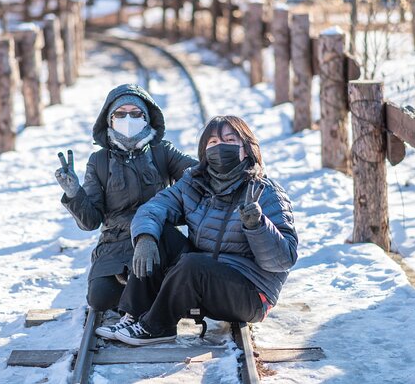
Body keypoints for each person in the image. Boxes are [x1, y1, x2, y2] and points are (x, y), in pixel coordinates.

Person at [96, 115, 298, 345]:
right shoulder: (195, 183)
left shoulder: (266, 192)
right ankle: (134, 315)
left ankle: (157, 327)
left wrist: (257, 225)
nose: (220, 146)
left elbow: (283, 261)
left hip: (250, 293)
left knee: (193, 264)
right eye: (212, 143)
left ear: (247, 149)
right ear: (204, 152)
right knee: (158, 234)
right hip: (202, 282)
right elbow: (154, 207)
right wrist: (145, 237)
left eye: (230, 140)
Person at [54, 83, 197, 319]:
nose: (127, 119)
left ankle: (145, 288)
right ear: (109, 120)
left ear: (147, 118)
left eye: (135, 113)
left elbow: (196, 173)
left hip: (159, 236)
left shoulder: (162, 151)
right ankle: (140, 286)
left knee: (178, 278)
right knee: (99, 300)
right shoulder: (99, 160)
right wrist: (73, 193)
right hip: (116, 241)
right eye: (120, 114)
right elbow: (90, 222)